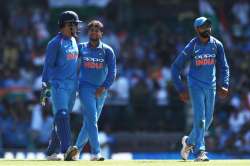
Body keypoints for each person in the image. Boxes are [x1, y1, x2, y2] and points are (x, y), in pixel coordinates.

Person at [171, 16, 229, 161]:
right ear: (197, 29)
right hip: (195, 85)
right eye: (203, 27)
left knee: (208, 119)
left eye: (208, 26)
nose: (207, 29)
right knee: (200, 118)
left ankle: (188, 142)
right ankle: (199, 152)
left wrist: (225, 84)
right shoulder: (192, 46)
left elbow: (224, 66)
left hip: (212, 85)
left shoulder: (217, 45)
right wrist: (181, 88)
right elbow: (175, 67)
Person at [66, 20, 116, 161]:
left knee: (89, 123)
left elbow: (113, 72)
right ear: (88, 33)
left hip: (102, 90)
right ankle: (96, 153)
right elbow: (71, 65)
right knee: (92, 119)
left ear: (101, 33)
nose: (94, 32)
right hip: (85, 88)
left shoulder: (107, 50)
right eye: (91, 30)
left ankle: (76, 151)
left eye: (97, 30)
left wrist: (104, 86)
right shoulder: (81, 47)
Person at [41, 11, 82, 161]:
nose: (76, 27)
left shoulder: (74, 41)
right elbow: (47, 67)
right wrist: (45, 90)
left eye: (76, 24)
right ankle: (67, 150)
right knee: (62, 115)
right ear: (64, 25)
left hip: (72, 88)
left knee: (61, 119)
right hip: (58, 85)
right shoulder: (54, 43)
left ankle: (51, 152)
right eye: (73, 24)